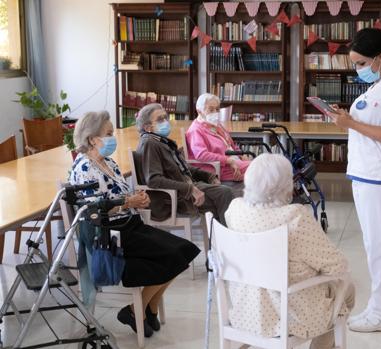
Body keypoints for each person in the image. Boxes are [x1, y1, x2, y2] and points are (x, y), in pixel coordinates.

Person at [69, 111, 200, 338]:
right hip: (112, 235)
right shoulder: (84, 168)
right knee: (171, 256)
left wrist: (139, 199)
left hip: (131, 225)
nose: (113, 138)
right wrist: (128, 202)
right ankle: (141, 309)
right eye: (108, 134)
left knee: (184, 250)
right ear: (92, 139)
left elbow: (122, 195)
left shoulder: (109, 162)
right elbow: (93, 211)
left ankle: (146, 306)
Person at [326, 28, 381, 332]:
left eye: (361, 63)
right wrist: (345, 120)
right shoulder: (376, 87)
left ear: (378, 58)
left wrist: (350, 123)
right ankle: (377, 307)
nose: (357, 69)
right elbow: (367, 126)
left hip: (379, 176)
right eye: (354, 64)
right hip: (364, 175)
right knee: (372, 245)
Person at [225, 153, 355, 349]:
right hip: (290, 315)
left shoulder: (234, 209)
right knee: (346, 288)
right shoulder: (295, 217)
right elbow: (338, 265)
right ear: (286, 185)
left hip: (245, 309)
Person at [135, 103, 234, 225]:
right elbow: (154, 180)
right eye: (160, 119)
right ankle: (227, 238)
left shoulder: (160, 141)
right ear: (147, 127)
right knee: (225, 195)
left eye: (166, 117)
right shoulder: (149, 144)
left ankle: (222, 237)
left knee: (225, 195)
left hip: (186, 189)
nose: (166, 121)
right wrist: (189, 188)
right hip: (175, 198)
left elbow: (182, 168)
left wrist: (208, 176)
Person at [186, 93, 250, 182]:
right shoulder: (196, 130)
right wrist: (228, 160)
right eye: (211, 109)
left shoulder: (216, 125)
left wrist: (241, 154)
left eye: (217, 109)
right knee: (260, 168)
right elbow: (201, 154)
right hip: (219, 167)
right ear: (199, 111)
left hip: (234, 161)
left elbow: (231, 145)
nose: (215, 113)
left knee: (262, 167)